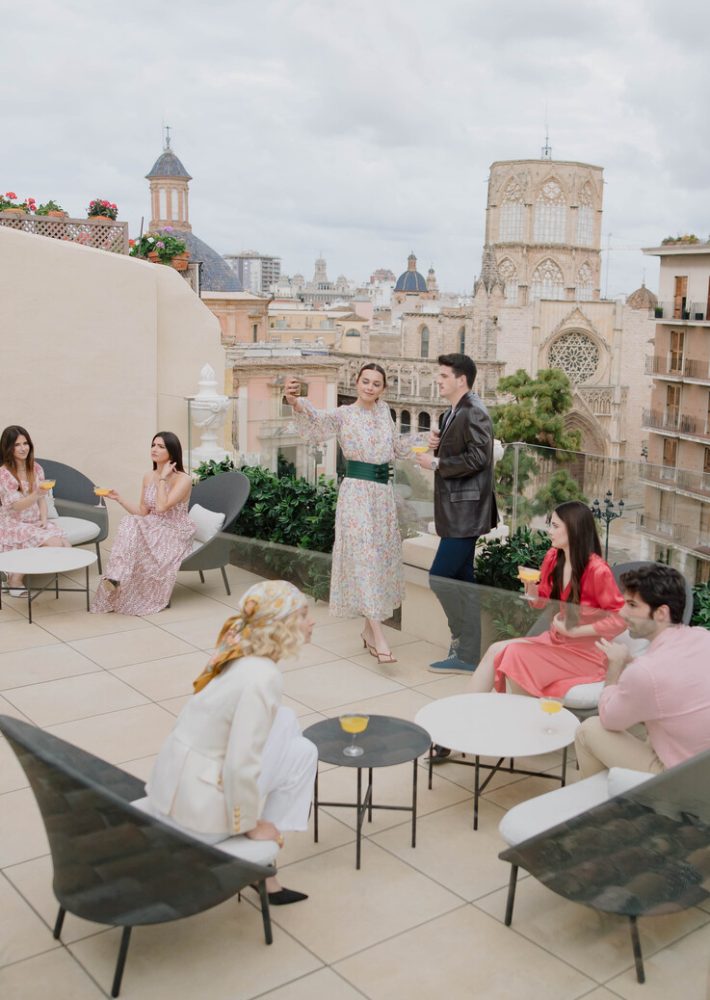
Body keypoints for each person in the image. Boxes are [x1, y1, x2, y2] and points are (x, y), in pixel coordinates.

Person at [145, 580, 318, 905]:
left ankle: (265, 867)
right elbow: (241, 762)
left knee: (298, 741)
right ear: (281, 625)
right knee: (299, 752)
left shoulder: (240, 653)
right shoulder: (263, 676)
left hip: (176, 787)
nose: (312, 622)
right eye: (304, 614)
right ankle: (262, 855)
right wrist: (249, 825)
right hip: (197, 814)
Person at [284, 363, 410, 663]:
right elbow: (316, 419)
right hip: (356, 495)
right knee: (365, 558)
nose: (369, 387)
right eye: (365, 381)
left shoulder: (385, 412)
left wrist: (428, 446)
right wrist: (294, 401)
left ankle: (368, 631)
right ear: (356, 383)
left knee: (378, 560)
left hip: (382, 498)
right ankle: (380, 637)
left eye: (376, 383)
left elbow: (398, 448)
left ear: (383, 389)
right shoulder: (344, 414)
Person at [575, 564, 710, 777]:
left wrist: (615, 666)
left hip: (681, 780)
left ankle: (597, 797)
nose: (622, 612)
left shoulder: (645, 672)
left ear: (661, 613)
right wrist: (633, 661)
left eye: (632, 605)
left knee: (589, 729)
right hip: (701, 763)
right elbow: (669, 677)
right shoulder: (703, 637)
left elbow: (609, 718)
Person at [414, 354, 498, 674]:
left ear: (461, 380)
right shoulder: (454, 411)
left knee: (440, 577)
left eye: (444, 376)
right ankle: (468, 655)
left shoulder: (474, 409)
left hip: (467, 513)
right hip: (458, 512)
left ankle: (461, 643)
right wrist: (437, 445)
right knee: (465, 583)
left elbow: (479, 458)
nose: (438, 380)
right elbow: (462, 451)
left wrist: (436, 462)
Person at [90, 431, 195, 615]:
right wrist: (119, 499)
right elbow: (143, 512)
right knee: (130, 521)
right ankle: (115, 576)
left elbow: (161, 507)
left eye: (161, 446)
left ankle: (116, 577)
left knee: (133, 525)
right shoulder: (148, 476)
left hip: (175, 530)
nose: (154, 449)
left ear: (172, 451)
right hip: (153, 525)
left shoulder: (184, 479)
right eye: (153, 445)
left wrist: (162, 478)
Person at [0, 425, 69, 596]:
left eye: (25, 443)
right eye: (17, 445)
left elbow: (42, 499)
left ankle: (11, 573)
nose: (23, 448)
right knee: (55, 544)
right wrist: (36, 493)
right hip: (12, 523)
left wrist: (44, 519)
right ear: (8, 448)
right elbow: (16, 506)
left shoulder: (36, 468)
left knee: (66, 545)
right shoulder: (4, 474)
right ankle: (15, 579)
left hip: (34, 521)